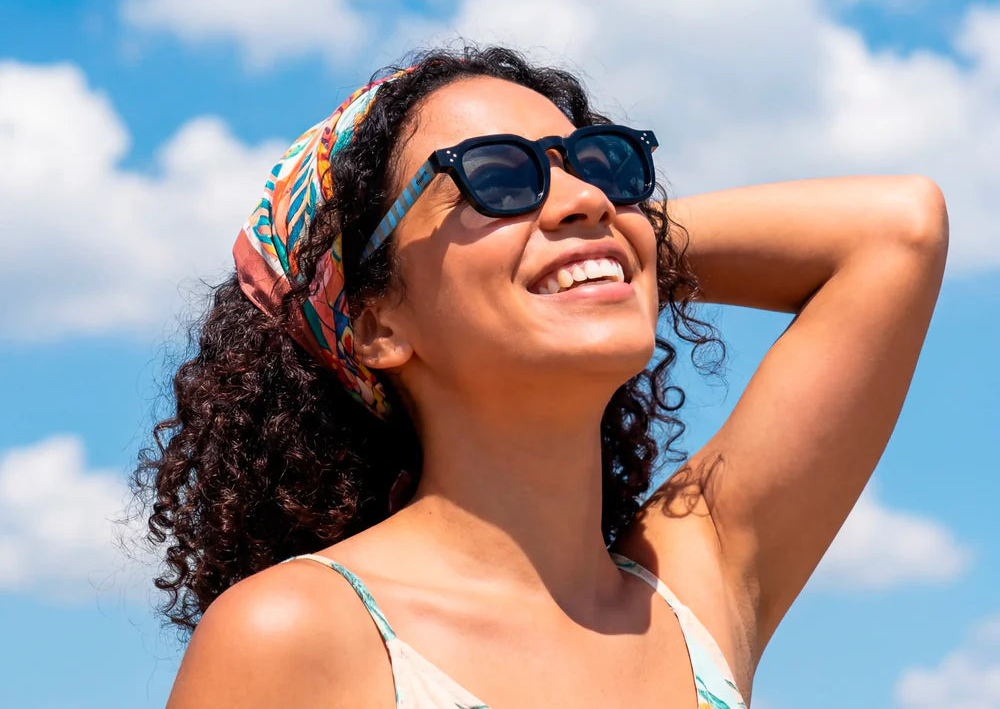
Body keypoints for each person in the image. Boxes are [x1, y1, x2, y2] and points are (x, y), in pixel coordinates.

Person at [139, 43, 948, 709]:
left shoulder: (694, 589)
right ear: (377, 322)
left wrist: (618, 246)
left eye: (600, 166)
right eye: (493, 176)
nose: (582, 197)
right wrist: (580, 251)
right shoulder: (298, 634)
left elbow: (898, 228)